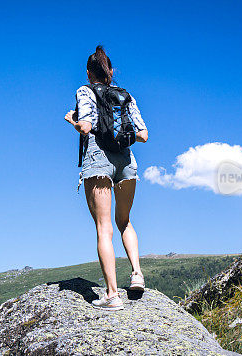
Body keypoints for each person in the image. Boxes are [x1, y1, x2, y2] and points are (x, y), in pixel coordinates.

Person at [64, 46, 149, 311]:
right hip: (126, 161)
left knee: (104, 228)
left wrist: (72, 120)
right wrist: (121, 136)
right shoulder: (126, 95)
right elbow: (144, 134)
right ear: (110, 71)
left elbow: (86, 126)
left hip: (98, 162)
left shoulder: (84, 91)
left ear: (89, 73)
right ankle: (136, 274)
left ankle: (112, 295)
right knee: (124, 221)